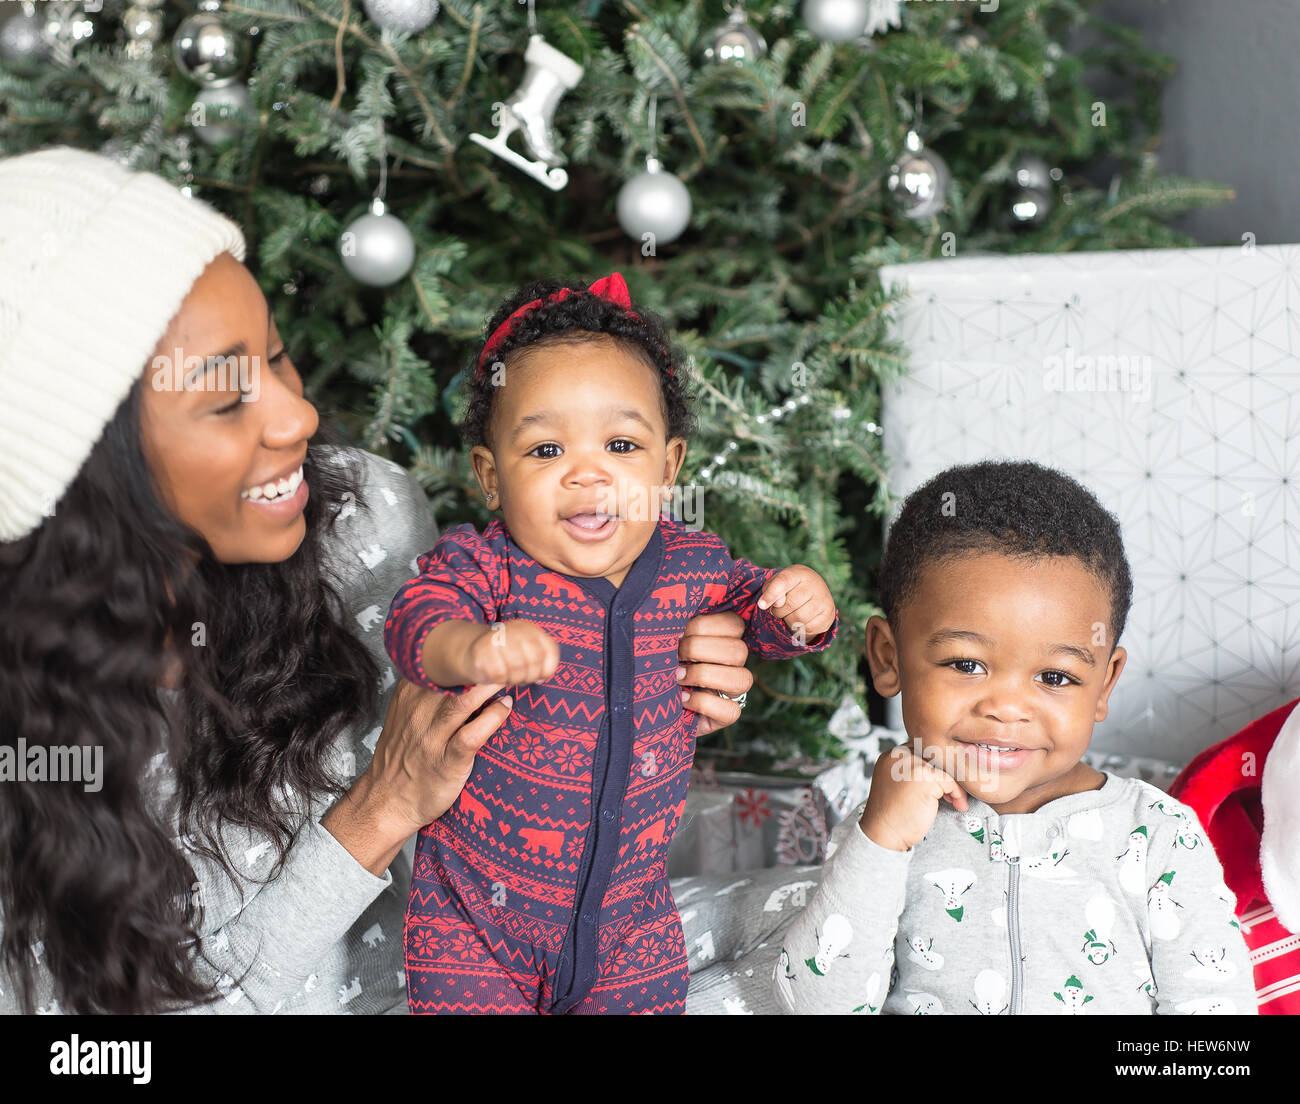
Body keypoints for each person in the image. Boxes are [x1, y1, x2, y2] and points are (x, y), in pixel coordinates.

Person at [0, 146, 754, 1015]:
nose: (299, 416)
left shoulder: (361, 517)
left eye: (278, 359)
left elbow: (539, 686)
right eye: (223, 399)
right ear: (91, 470)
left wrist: (676, 649)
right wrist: (376, 812)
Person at [384, 273, 841, 1014]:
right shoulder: (486, 568)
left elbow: (764, 615)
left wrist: (800, 608)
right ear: (490, 477)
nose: (587, 472)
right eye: (545, 450)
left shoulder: (694, 566)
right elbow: (415, 618)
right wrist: (468, 648)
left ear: (668, 467)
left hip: (631, 925)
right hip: (477, 921)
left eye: (621, 443)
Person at [772, 460, 1255, 1015]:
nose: (1005, 708)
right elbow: (814, 1007)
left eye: (1055, 677)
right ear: (888, 657)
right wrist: (881, 841)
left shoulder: (1157, 835)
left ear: (1104, 684)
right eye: (965, 664)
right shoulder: (885, 826)